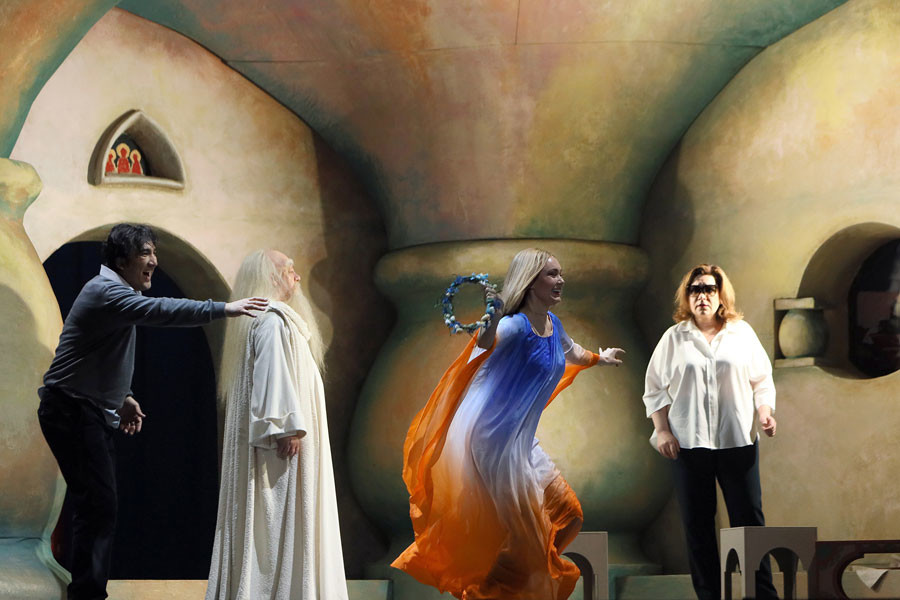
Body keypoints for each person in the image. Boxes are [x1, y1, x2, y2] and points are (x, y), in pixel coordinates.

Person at [37, 223, 268, 600]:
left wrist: (124, 396)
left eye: (153, 252)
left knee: (99, 504)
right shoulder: (105, 291)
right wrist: (224, 308)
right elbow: (159, 309)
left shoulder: (115, 294)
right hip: (70, 409)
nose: (154, 261)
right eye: (146, 253)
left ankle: (87, 592)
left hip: (83, 409)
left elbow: (100, 354)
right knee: (98, 505)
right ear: (122, 260)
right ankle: (87, 595)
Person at [393, 248, 624, 600]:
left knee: (568, 515)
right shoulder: (514, 327)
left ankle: (509, 581)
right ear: (530, 282)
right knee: (522, 547)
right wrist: (492, 320)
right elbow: (483, 347)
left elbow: (572, 351)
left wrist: (599, 358)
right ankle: (495, 588)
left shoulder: (553, 324)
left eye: (561, 273)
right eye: (552, 274)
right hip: (493, 447)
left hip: (522, 446)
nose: (561, 280)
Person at [206, 249, 348, 600]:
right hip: (280, 445)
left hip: (279, 439)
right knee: (278, 523)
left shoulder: (267, 322)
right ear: (270, 277)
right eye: (288, 270)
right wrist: (285, 426)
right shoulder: (271, 321)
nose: (296, 277)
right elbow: (272, 375)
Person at [643, 264, 778, 600]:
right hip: (688, 446)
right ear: (687, 297)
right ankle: (709, 596)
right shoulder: (674, 338)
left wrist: (765, 413)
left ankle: (763, 595)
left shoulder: (741, 333)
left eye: (709, 289)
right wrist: (662, 431)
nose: (702, 296)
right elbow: (654, 389)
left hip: (738, 441)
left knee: (749, 525)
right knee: (698, 528)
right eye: (695, 289)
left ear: (720, 295)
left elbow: (761, 379)